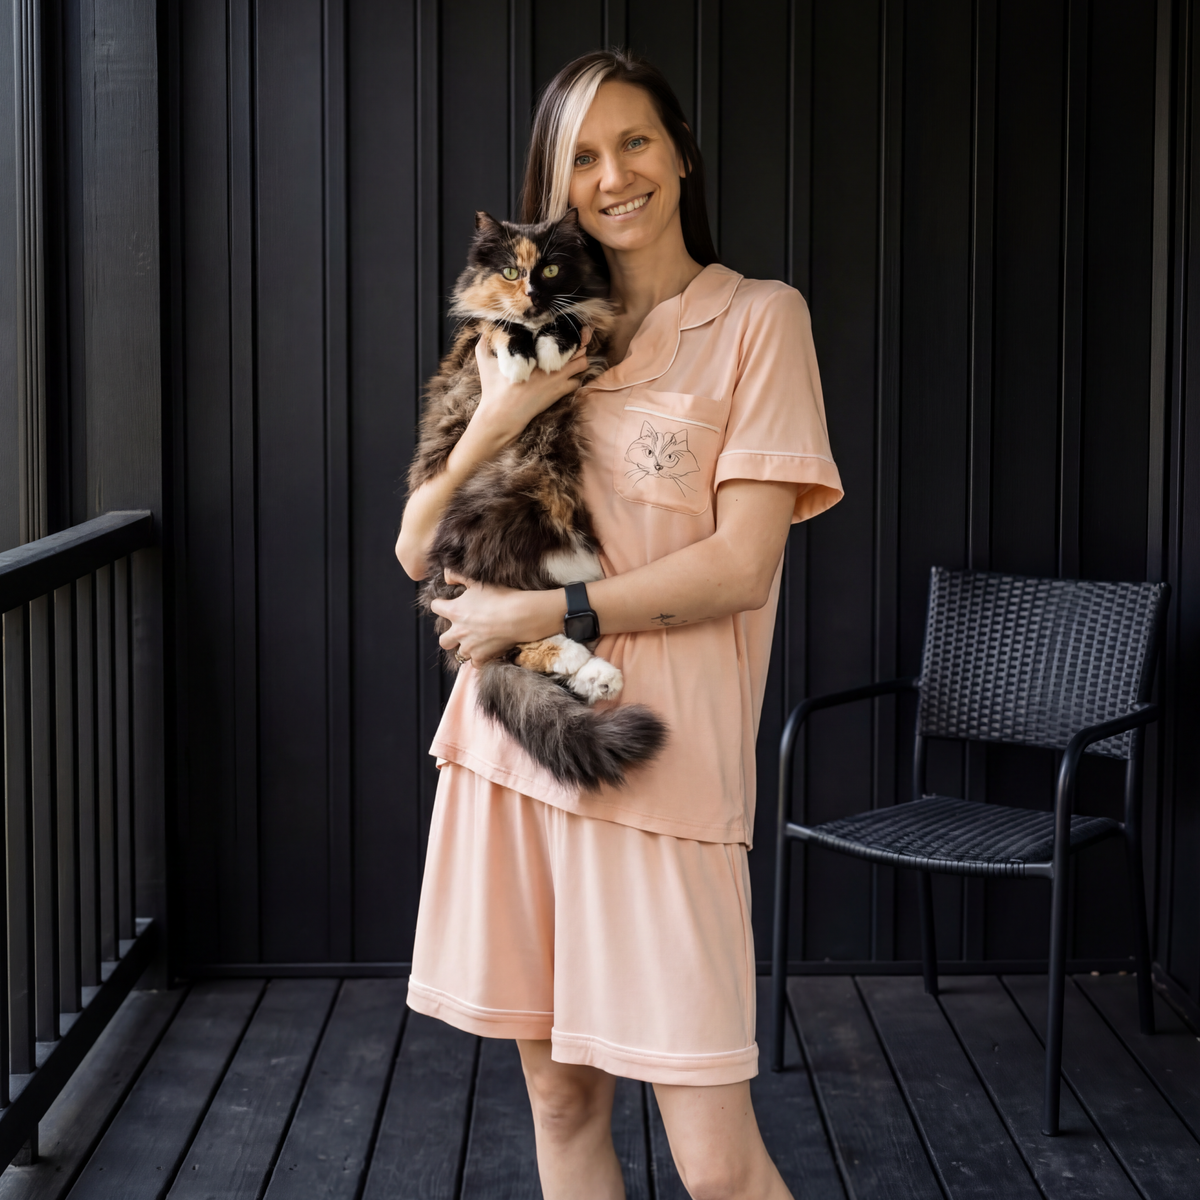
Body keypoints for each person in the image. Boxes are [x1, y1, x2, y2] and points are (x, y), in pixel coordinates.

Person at [395, 49, 842, 1200]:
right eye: (582, 156)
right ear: (560, 181)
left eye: (635, 141)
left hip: (664, 775)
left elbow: (742, 568)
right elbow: (413, 545)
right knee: (558, 1099)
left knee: (717, 1165)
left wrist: (534, 612)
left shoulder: (758, 321)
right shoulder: (529, 331)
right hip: (516, 749)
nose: (614, 175)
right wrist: (499, 413)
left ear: (681, 151)